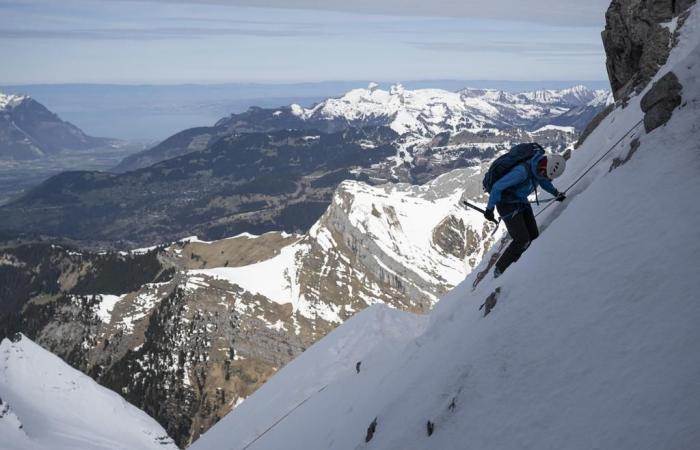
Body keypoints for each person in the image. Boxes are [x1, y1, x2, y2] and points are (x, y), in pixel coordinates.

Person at [484, 150, 567, 278]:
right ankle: (500, 270)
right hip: (507, 205)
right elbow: (497, 187)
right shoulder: (521, 172)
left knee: (533, 235)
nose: (545, 177)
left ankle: (524, 263)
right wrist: (490, 209)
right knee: (521, 239)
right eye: (545, 174)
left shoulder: (539, 169)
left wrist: (556, 193)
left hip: (521, 201)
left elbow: (543, 181)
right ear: (544, 167)